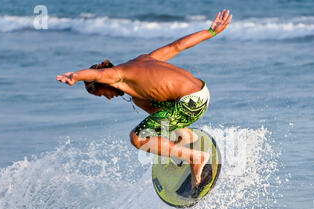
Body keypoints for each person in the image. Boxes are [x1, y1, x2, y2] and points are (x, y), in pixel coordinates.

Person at [57, 9, 232, 190]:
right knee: (140, 100)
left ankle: (196, 158)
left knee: (137, 137)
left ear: (104, 84)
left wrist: (76, 76)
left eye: (102, 94)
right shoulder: (142, 60)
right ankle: (185, 135)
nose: (108, 98)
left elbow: (96, 74)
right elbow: (176, 46)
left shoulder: (116, 74)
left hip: (190, 104)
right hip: (202, 93)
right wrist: (211, 31)